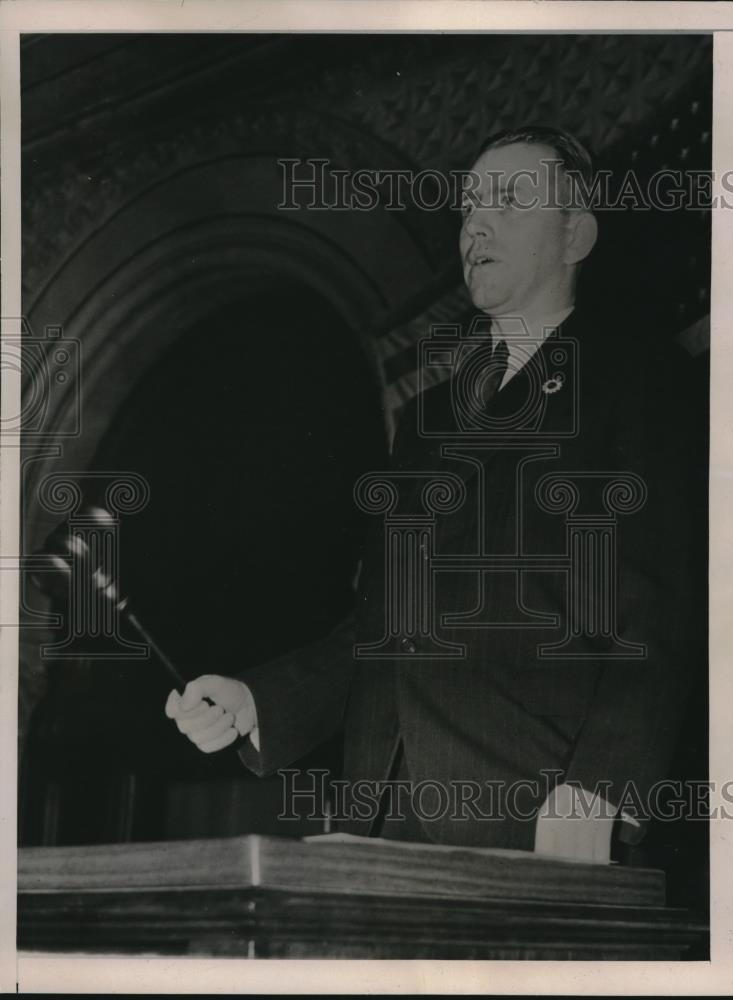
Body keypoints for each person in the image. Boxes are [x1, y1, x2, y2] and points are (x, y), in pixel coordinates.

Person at [165, 126, 704, 862]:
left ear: (575, 234)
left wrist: (602, 786)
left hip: (543, 818)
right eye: (469, 205)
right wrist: (261, 700)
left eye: (509, 201)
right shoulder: (427, 420)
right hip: (381, 817)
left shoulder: (637, 380)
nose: (476, 223)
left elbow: (662, 609)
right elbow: (383, 624)